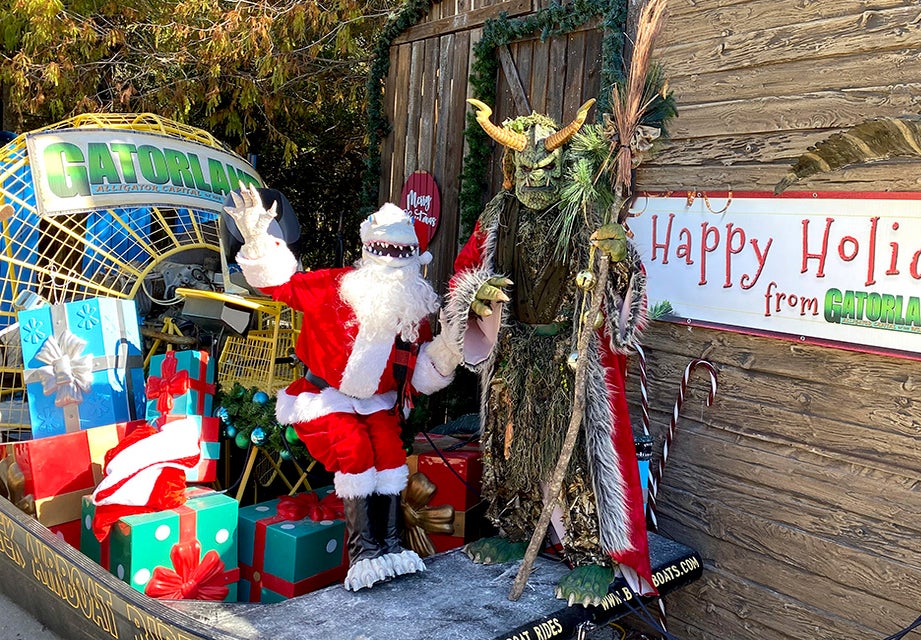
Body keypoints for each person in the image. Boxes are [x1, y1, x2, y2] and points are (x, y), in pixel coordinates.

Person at [438, 99, 656, 605]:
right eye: (525, 168)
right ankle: (514, 527)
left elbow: (622, 284)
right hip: (514, 349)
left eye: (546, 166)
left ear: (563, 166)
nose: (535, 178)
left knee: (574, 448)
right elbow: (463, 275)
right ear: (512, 170)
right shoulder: (497, 215)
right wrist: (478, 294)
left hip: (568, 349)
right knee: (510, 444)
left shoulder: (586, 210)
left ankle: (589, 552)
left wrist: (621, 259)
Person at [224, 185, 462, 591]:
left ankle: (389, 545)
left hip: (378, 404)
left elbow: (418, 378)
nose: (392, 265)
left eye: (400, 256)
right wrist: (259, 241)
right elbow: (282, 286)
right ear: (369, 252)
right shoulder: (333, 287)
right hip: (326, 398)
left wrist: (449, 349)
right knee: (354, 451)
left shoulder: (413, 310)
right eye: (385, 253)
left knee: (389, 456)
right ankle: (364, 553)